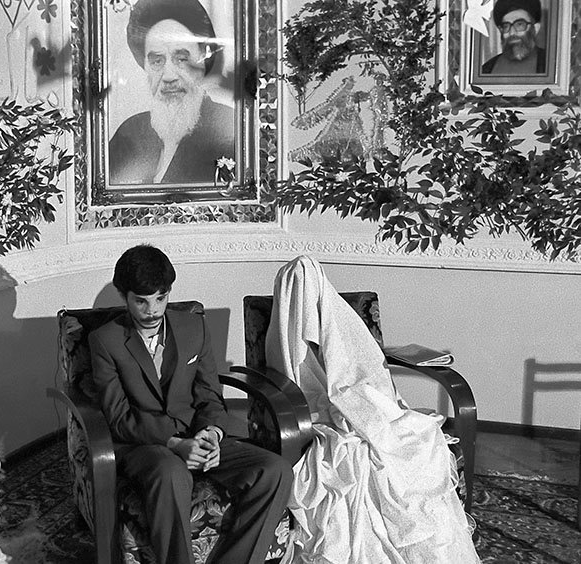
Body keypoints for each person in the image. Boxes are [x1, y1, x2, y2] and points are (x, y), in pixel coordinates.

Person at [265, 256, 481, 563]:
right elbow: (295, 372)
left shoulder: (341, 319)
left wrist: (359, 399)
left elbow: (355, 364)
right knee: (351, 454)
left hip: (359, 397)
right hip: (311, 406)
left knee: (407, 440)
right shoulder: (282, 334)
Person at [89, 244, 293, 564]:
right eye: (141, 301)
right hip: (145, 445)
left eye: (160, 298)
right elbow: (119, 418)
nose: (152, 310)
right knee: (171, 472)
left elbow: (209, 394)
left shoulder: (193, 327)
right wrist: (175, 443)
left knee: (275, 471)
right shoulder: (105, 340)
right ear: (123, 296)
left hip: (195, 434)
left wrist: (211, 434)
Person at [108, 0, 234, 185]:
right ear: (145, 66)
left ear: (203, 60)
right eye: (157, 61)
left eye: (181, 59)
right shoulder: (129, 133)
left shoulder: (230, 129)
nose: (168, 76)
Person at [481, 0, 546, 75]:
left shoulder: (549, 63)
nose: (512, 33)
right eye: (506, 26)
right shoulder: (487, 69)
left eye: (520, 25)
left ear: (536, 28)